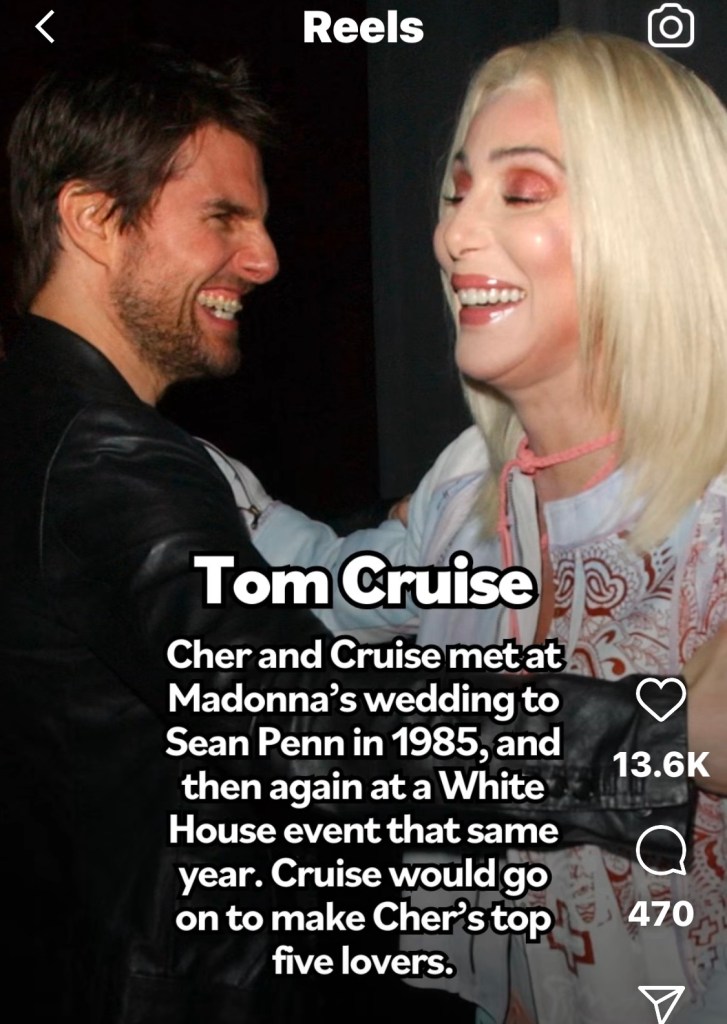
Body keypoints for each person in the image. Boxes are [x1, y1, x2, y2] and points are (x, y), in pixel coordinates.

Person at [0, 39, 714, 1024]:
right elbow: (298, 710)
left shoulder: (55, 427)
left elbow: (278, 585)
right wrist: (661, 735)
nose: (264, 259)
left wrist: (394, 538)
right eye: (222, 217)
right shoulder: (103, 458)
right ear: (91, 219)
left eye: (520, 192)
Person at [233, 30, 727, 1024]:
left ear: (652, 224)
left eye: (522, 191)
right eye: (457, 192)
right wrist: (177, 476)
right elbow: (328, 587)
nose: (454, 233)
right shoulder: (467, 482)